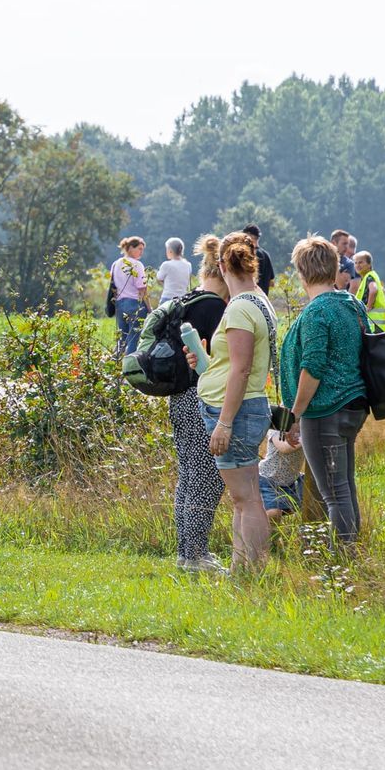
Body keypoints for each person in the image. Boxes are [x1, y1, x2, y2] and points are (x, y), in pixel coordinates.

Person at [279, 236, 370, 544]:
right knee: (345, 486)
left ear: (302, 273)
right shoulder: (351, 304)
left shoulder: (318, 312)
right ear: (334, 268)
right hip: (353, 406)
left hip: (324, 411)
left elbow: (313, 367)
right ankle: (351, 550)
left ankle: (345, 558)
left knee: (333, 494)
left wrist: (295, 414)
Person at [195, 235, 276, 570]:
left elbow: (241, 370)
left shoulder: (241, 307)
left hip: (237, 412)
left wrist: (224, 423)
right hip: (245, 406)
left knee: (246, 499)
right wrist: (204, 361)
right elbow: (234, 363)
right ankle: (240, 568)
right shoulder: (258, 301)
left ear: (223, 266)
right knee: (244, 498)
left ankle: (251, 571)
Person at [166, 234, 231, 573]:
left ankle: (186, 552)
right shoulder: (215, 307)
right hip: (200, 397)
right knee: (207, 476)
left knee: (188, 475)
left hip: (179, 397)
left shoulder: (188, 299)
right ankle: (195, 555)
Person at [110, 237, 150, 355]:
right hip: (134, 304)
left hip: (119, 304)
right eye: (139, 249)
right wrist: (149, 307)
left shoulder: (115, 264)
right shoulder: (137, 265)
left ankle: (115, 364)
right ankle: (129, 368)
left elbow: (113, 286)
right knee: (133, 339)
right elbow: (142, 288)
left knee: (121, 339)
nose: (141, 252)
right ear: (130, 248)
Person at [258, 429, 304, 523]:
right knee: (273, 513)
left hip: (292, 481)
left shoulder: (304, 429)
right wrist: (307, 437)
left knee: (315, 495)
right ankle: (268, 536)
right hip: (268, 480)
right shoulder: (276, 428)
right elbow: (285, 448)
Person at [352, 250, 385, 325]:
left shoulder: (369, 277)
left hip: (373, 322)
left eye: (361, 262)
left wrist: (368, 307)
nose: (358, 265)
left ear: (369, 264)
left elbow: (374, 290)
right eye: (355, 263)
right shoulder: (369, 276)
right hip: (377, 323)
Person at [155, 236, 193, 303]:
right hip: (182, 300)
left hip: (167, 299)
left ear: (170, 251)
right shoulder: (188, 265)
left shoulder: (166, 265)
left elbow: (158, 278)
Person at [244, 224, 276, 295]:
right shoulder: (266, 255)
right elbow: (272, 283)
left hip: (252, 298)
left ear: (249, 235)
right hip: (263, 299)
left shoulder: (250, 254)